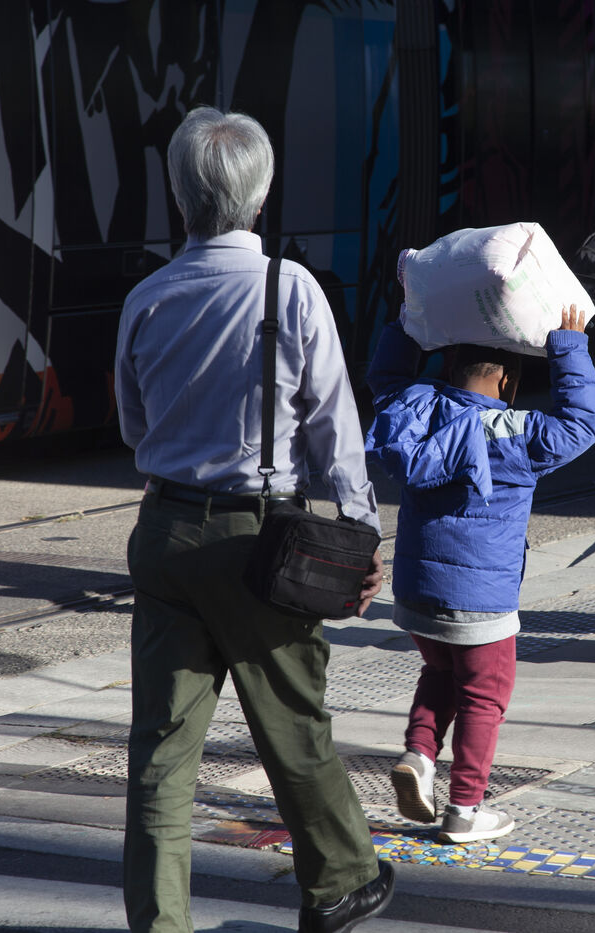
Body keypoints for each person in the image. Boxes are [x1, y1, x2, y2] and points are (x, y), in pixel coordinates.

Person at [115, 106, 394, 933]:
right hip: (261, 544)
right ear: (262, 196)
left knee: (161, 752)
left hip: (166, 533)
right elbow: (335, 426)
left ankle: (159, 923)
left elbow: (133, 425)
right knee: (291, 723)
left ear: (179, 196)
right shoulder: (292, 288)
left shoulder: (146, 297)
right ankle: (338, 881)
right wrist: (361, 533)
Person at [365, 305, 595, 843]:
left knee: (441, 673)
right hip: (480, 598)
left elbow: (385, 377)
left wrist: (407, 321)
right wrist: (569, 348)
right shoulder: (519, 432)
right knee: (483, 697)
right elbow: (581, 423)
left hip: (417, 592)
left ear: (449, 367)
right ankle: (465, 810)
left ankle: (419, 756)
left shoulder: (415, 408)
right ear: (508, 380)